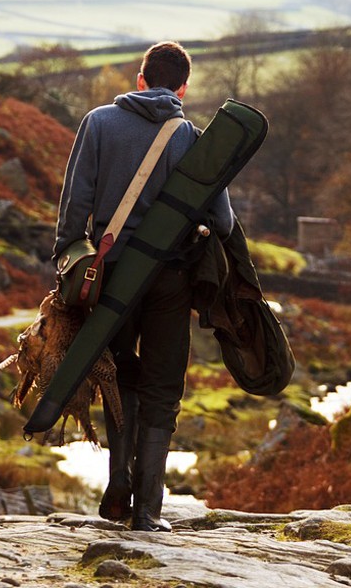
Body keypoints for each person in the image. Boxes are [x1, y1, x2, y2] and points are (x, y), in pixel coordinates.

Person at [52, 41, 234, 532]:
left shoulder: (97, 123)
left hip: (110, 276)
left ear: (139, 80)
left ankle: (117, 488)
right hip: (170, 280)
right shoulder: (193, 139)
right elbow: (222, 218)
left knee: (117, 378)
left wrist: (70, 263)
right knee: (161, 387)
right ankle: (148, 511)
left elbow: (74, 206)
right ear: (182, 89)